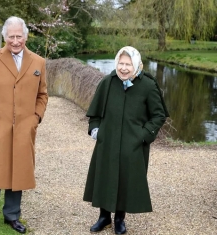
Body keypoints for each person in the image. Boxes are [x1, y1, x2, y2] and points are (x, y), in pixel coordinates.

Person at [0, 16, 48, 234]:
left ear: (26, 36)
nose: (16, 41)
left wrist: (35, 118)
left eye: (19, 36)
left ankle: (12, 216)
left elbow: (42, 95)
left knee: (19, 171)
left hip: (25, 127)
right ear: (4, 37)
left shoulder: (38, 62)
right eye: (11, 36)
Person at [83, 46, 169, 234]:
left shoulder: (148, 85)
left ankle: (120, 218)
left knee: (125, 180)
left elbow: (158, 115)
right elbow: (95, 114)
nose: (123, 68)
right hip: (108, 144)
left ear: (136, 64)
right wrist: (97, 131)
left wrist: (143, 136)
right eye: (120, 63)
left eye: (128, 64)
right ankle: (104, 217)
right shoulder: (107, 82)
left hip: (133, 146)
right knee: (105, 177)